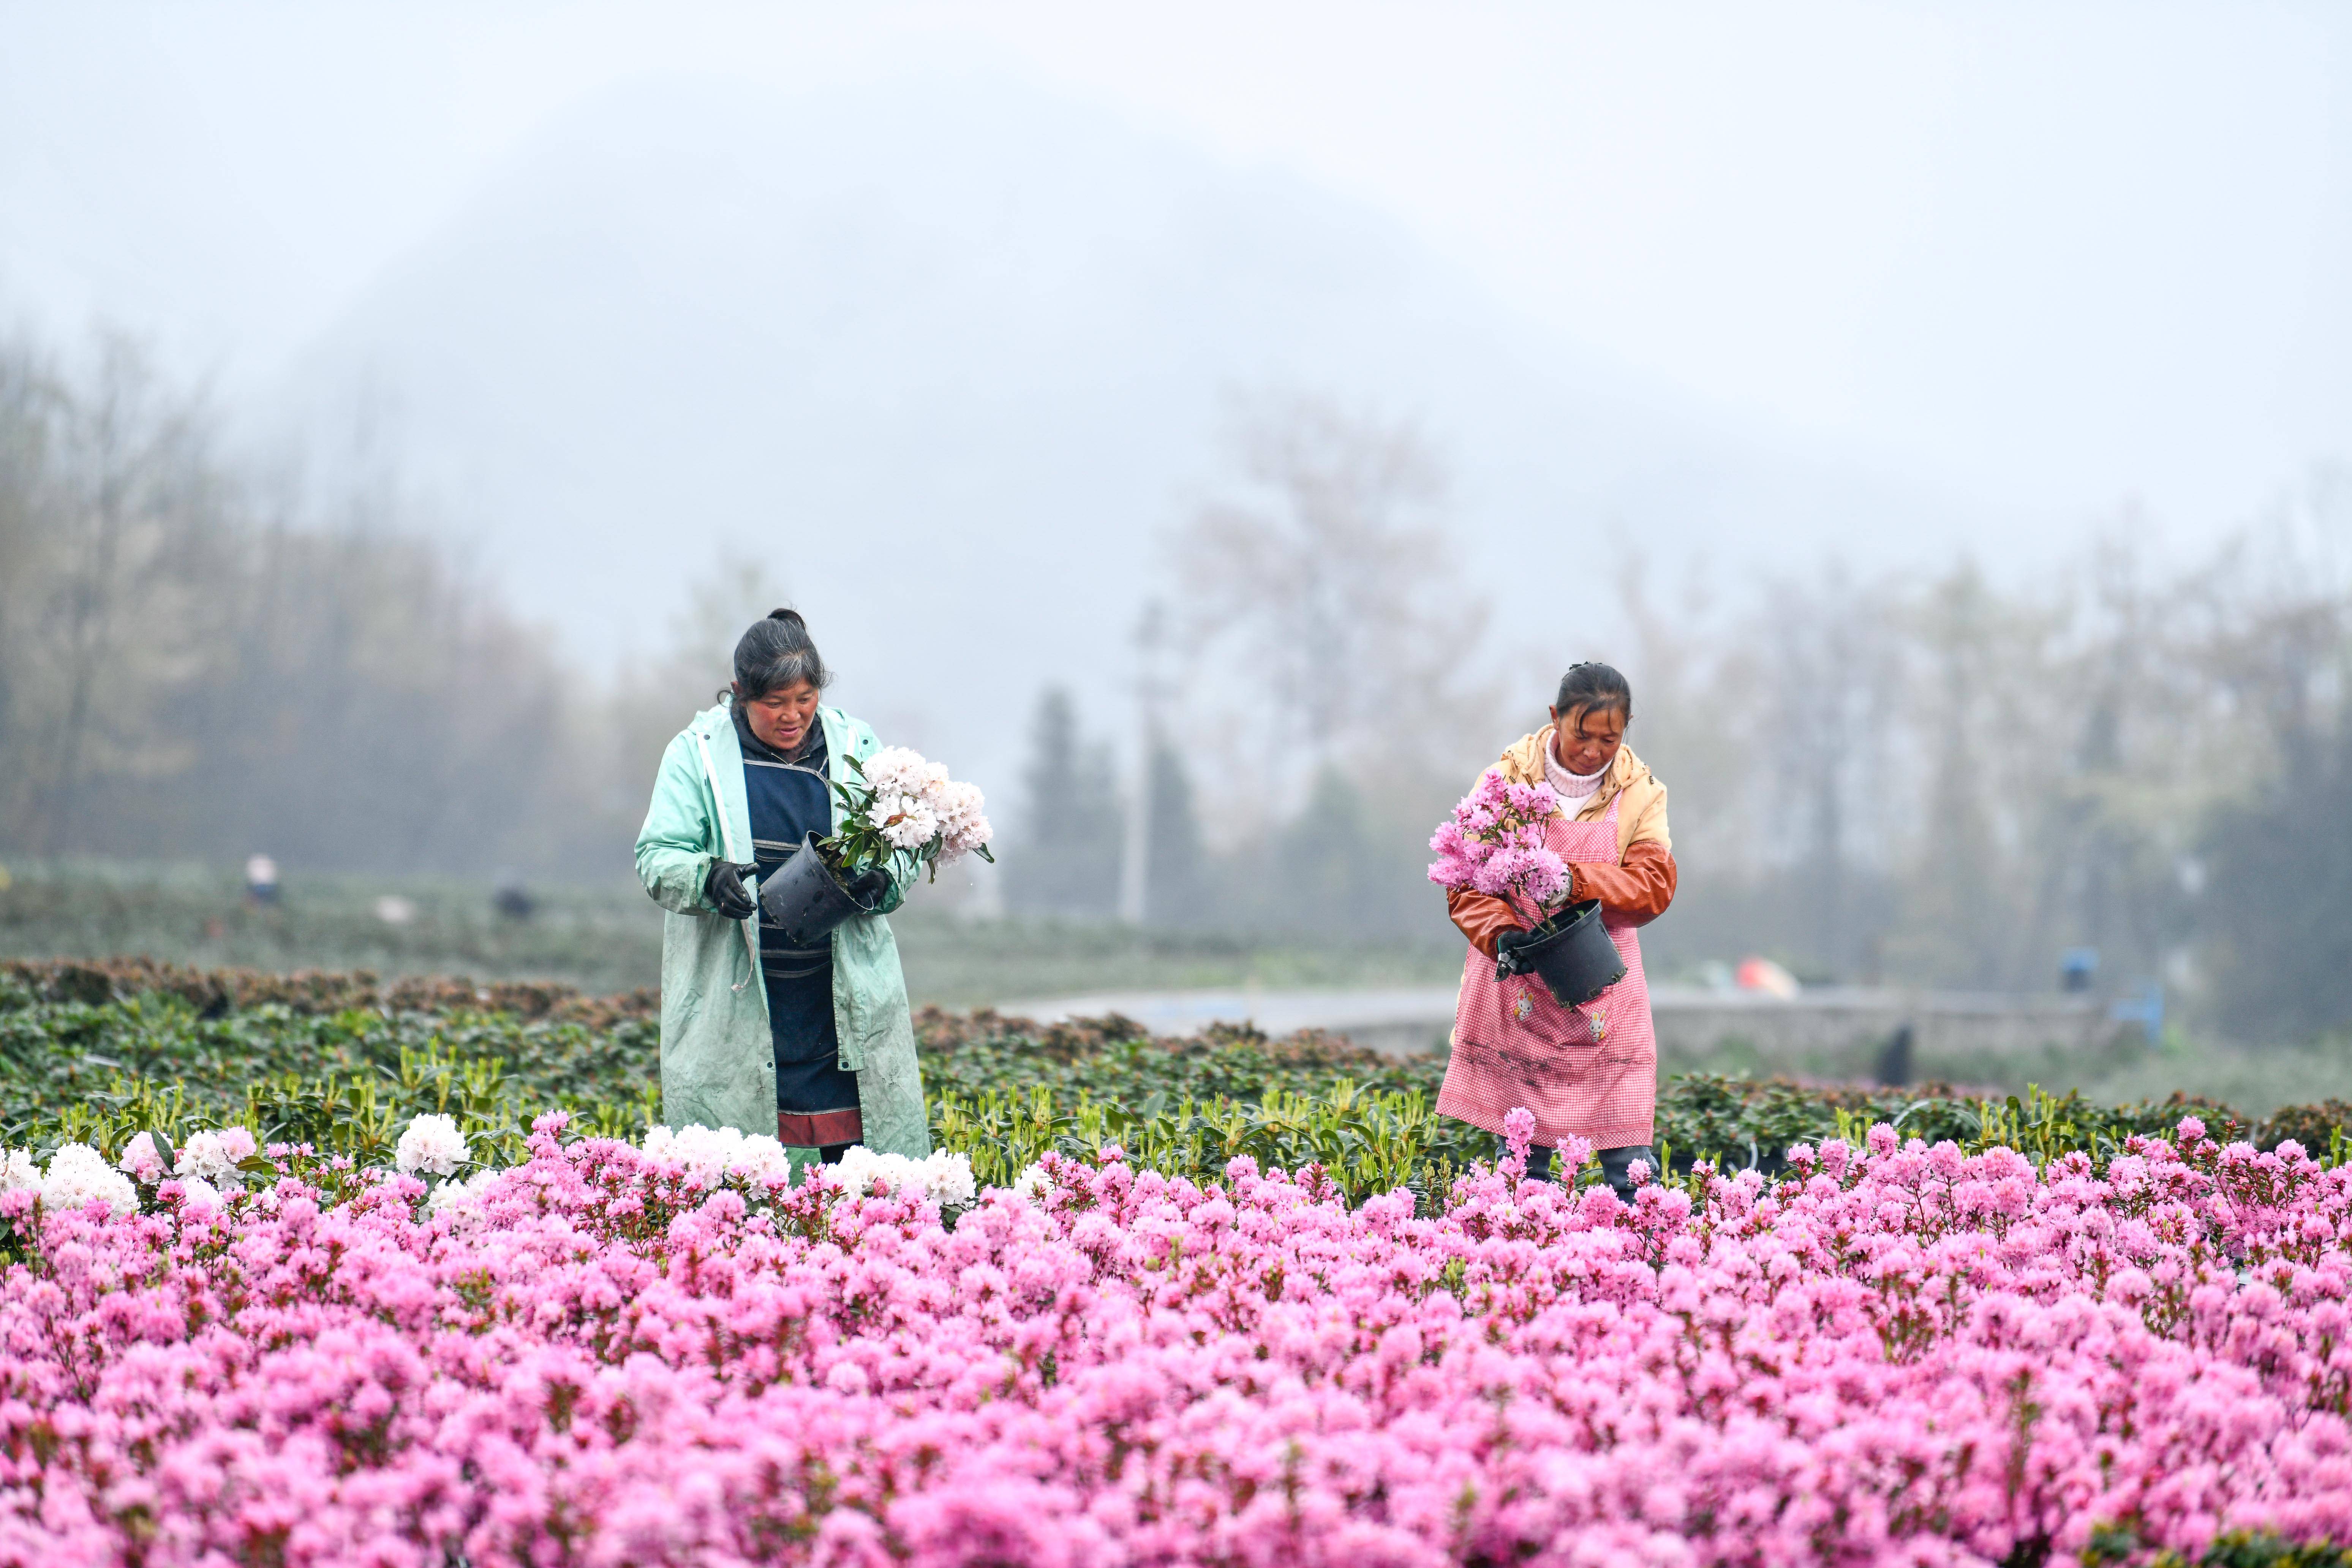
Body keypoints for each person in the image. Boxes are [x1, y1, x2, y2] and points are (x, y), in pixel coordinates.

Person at [634, 608, 929, 1167]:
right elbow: (657, 855)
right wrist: (707, 878)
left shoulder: (857, 748)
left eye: (805, 698)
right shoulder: (697, 756)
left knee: (864, 1177)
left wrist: (882, 878)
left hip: (839, 996)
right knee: (748, 1180)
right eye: (775, 703)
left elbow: (907, 842)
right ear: (741, 695)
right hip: (743, 990)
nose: (792, 716)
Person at [1435, 661, 1677, 1201]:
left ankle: (1649, 1266)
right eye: (1581, 735)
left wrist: (1574, 882)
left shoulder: (1641, 792)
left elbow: (1653, 886)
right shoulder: (1506, 780)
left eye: (1609, 739)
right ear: (1555, 718)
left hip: (1604, 989)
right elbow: (1466, 880)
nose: (1593, 751)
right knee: (1524, 1166)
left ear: (1627, 728)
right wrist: (1502, 935)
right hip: (1522, 986)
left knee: (1629, 1167)